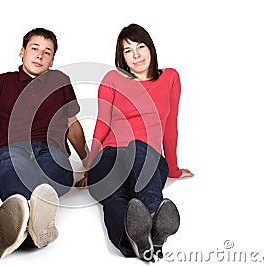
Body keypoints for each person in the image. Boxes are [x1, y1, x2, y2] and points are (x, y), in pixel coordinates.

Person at [0, 28, 88, 260]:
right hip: (12, 150)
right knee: (11, 165)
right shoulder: (1, 82)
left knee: (55, 170)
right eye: (34, 48)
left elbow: (73, 124)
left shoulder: (60, 81)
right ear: (22, 52)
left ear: (52, 60)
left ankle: (18, 227)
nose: (40, 55)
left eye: (47, 52)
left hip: (51, 152)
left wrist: (87, 163)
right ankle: (35, 229)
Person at [75, 24, 193, 262]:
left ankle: (142, 228)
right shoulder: (112, 79)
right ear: (122, 58)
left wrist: (173, 168)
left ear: (150, 48)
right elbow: (101, 125)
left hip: (146, 157)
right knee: (113, 195)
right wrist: (88, 169)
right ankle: (144, 235)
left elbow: (170, 126)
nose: (136, 54)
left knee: (137, 151)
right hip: (110, 156)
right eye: (128, 50)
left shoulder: (170, 77)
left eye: (140, 46)